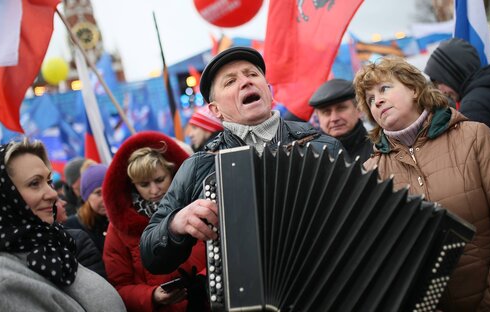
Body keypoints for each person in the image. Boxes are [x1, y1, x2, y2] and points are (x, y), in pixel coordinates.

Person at [355, 57, 490, 311]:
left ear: (414, 89)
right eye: (369, 100)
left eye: (385, 89)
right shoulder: (371, 173)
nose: (377, 101)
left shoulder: (474, 137)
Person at [140, 47, 343, 274]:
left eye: (253, 74)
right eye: (230, 82)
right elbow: (150, 256)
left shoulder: (322, 146)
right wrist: (175, 224)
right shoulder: (199, 167)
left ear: (268, 90)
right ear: (215, 110)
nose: (246, 82)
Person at [0, 139, 125, 311]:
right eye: (34, 183)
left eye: (48, 181)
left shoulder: (52, 245)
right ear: (2, 197)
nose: (53, 193)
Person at [103, 131, 207, 311]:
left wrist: (206, 279)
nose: (154, 190)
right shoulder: (119, 228)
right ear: (133, 185)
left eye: (160, 180)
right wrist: (152, 295)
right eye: (144, 184)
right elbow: (118, 286)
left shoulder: (200, 206)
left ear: (173, 173)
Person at [309, 79, 373, 162]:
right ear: (318, 117)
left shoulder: (380, 149)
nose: (334, 118)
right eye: (326, 112)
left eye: (341, 108)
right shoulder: (311, 157)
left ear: (358, 109)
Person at [64, 164, 109, 255]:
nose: (105, 198)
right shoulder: (73, 226)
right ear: (86, 197)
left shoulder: (122, 221)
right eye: (98, 193)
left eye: (108, 190)